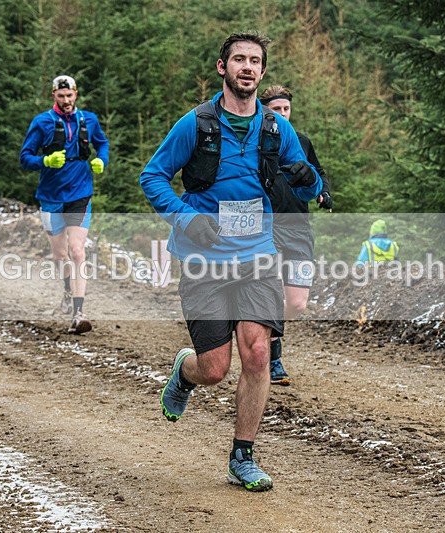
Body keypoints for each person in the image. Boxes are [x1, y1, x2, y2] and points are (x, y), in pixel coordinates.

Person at [139, 32, 322, 492]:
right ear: (223, 68)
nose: (247, 67)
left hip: (258, 254)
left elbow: (304, 187)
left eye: (254, 61)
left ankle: (242, 456)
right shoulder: (196, 124)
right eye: (238, 59)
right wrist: (186, 220)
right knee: (215, 368)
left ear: (262, 72)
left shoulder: (277, 130)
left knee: (258, 352)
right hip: (203, 257)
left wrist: (307, 179)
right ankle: (186, 370)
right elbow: (153, 175)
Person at [20, 75, 109, 334]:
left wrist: (101, 160)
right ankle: (67, 290)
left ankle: (78, 313)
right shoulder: (42, 122)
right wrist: (44, 161)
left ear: (76, 94)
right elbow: (25, 158)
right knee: (60, 255)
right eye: (61, 97)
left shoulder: (88, 120)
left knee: (77, 251)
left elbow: (101, 143)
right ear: (54, 96)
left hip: (81, 193)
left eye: (70, 96)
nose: (66, 101)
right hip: (50, 196)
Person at [258, 84, 333, 386]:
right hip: (266, 227)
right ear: (265, 111)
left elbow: (319, 172)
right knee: (273, 288)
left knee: (297, 302)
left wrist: (324, 192)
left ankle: (266, 335)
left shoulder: (301, 141)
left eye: (286, 109)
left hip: (299, 228)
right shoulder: (256, 142)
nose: (283, 114)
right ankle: (272, 358)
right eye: (276, 109)